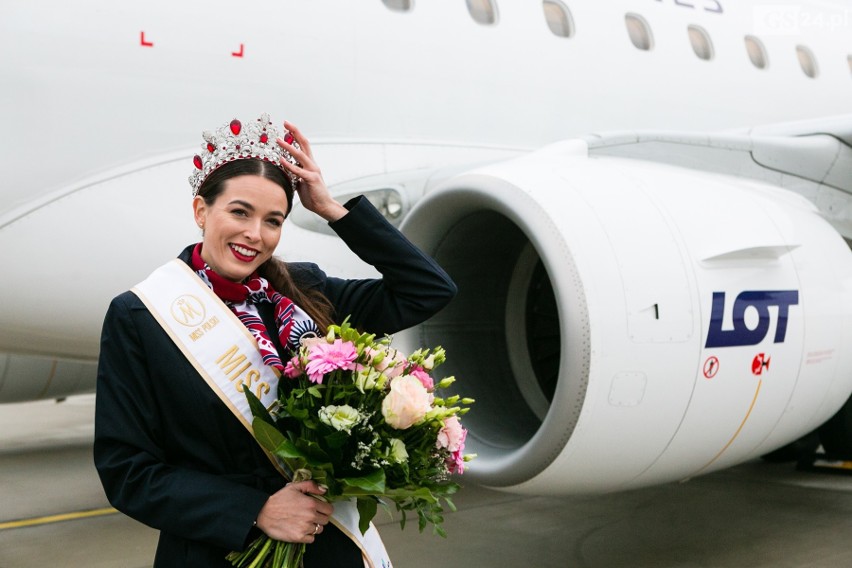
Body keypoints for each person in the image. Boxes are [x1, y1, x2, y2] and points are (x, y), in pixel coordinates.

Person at [93, 114, 457, 567]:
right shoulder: (142, 316)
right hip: (217, 550)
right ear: (201, 211)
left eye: (273, 220)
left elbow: (428, 289)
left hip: (325, 545)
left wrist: (332, 208)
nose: (255, 235)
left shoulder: (305, 290)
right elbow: (127, 472)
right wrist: (256, 511)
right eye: (239, 212)